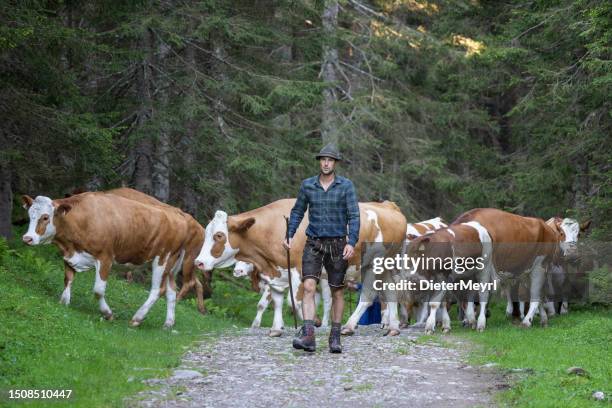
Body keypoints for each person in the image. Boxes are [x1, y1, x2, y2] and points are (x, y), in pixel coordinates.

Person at [283, 143, 360, 353]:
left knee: (337, 290)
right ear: (319, 162)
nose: (326, 163)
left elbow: (354, 215)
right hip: (314, 242)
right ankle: (309, 335)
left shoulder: (346, 186)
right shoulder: (308, 185)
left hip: (338, 244)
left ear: (335, 163)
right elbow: (298, 211)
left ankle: (335, 337)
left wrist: (351, 242)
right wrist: (289, 234)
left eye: (330, 160)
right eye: (323, 159)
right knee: (308, 286)